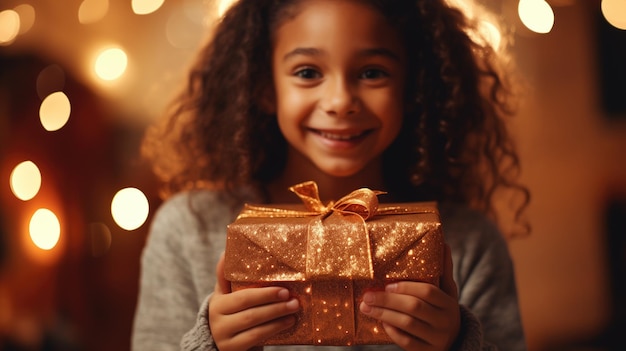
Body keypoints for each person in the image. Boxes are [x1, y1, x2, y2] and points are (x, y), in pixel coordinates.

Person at [132, 0, 530, 350]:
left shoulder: (467, 242)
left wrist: (458, 343)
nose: (340, 101)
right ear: (263, 87)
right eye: (307, 72)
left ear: (413, 88)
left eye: (372, 73)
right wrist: (212, 346)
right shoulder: (188, 230)